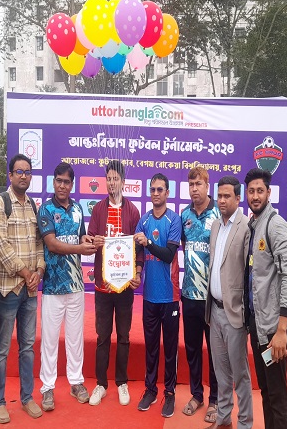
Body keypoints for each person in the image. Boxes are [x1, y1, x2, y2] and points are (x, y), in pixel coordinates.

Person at [0, 154, 46, 424]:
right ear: (10, 175)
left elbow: (39, 244)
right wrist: (25, 273)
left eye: (27, 172)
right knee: (1, 349)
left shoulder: (34, 205)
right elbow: (1, 246)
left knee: (27, 348)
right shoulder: (0, 204)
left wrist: (39, 272)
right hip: (7, 289)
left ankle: (27, 397)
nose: (23, 176)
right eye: (19, 171)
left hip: (31, 290)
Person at [38, 162, 97, 410]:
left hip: (76, 285)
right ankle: (47, 388)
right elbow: (52, 244)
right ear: (54, 182)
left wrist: (86, 239)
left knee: (75, 339)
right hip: (52, 286)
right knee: (50, 340)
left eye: (67, 182)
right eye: (59, 181)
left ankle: (76, 382)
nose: (62, 185)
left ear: (72, 185)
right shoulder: (46, 209)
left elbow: (80, 234)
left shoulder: (77, 208)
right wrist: (80, 249)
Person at [244, 168, 287, 429]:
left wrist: (281, 330)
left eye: (260, 191)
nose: (255, 196)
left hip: (274, 327)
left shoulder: (276, 225)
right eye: (251, 191)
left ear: (269, 193)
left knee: (277, 394)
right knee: (265, 389)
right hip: (259, 323)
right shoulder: (254, 225)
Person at [86, 160, 142, 407]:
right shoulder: (99, 209)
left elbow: (138, 248)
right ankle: (101, 383)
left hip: (125, 286)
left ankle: (121, 382)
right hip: (103, 286)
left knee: (124, 335)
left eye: (115, 179)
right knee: (102, 336)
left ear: (123, 182)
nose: (111, 183)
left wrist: (137, 271)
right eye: (108, 179)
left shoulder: (133, 211)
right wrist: (94, 241)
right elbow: (88, 240)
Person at [205, 176, 253, 429]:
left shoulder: (245, 227)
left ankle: (245, 423)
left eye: (227, 196)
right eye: (219, 196)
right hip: (214, 311)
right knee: (221, 372)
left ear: (238, 198)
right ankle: (224, 420)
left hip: (235, 314)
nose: (222, 201)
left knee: (240, 374)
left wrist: (245, 312)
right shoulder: (215, 226)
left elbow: (250, 274)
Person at [134, 173, 182, 418]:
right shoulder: (143, 221)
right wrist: (137, 272)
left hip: (170, 297)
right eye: (152, 189)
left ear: (167, 193)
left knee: (170, 349)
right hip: (149, 296)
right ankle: (150, 389)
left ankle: (170, 393)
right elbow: (138, 253)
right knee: (151, 347)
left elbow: (168, 255)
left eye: (159, 189)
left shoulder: (174, 220)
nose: (155, 193)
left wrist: (148, 244)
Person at [180, 167, 220, 423]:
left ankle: (215, 399)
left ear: (207, 185)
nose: (194, 189)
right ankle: (197, 395)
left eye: (199, 184)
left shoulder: (218, 214)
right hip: (189, 295)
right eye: (191, 184)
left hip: (212, 298)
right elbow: (185, 248)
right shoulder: (184, 215)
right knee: (192, 348)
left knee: (215, 350)